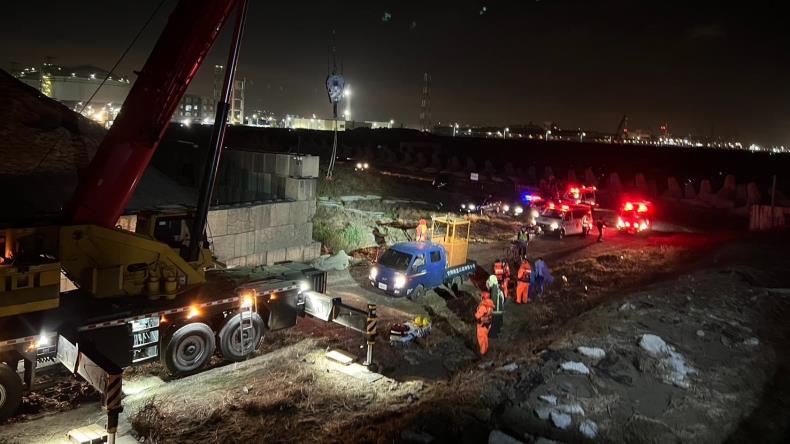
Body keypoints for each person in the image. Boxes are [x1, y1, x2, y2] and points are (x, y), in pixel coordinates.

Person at [475, 291, 495, 356]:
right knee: (485, 337)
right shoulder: (490, 305)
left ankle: (483, 352)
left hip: (482, 325)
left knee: (481, 339)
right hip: (488, 324)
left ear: (483, 297)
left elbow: (478, 316)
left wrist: (477, 316)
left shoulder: (483, 306)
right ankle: (486, 349)